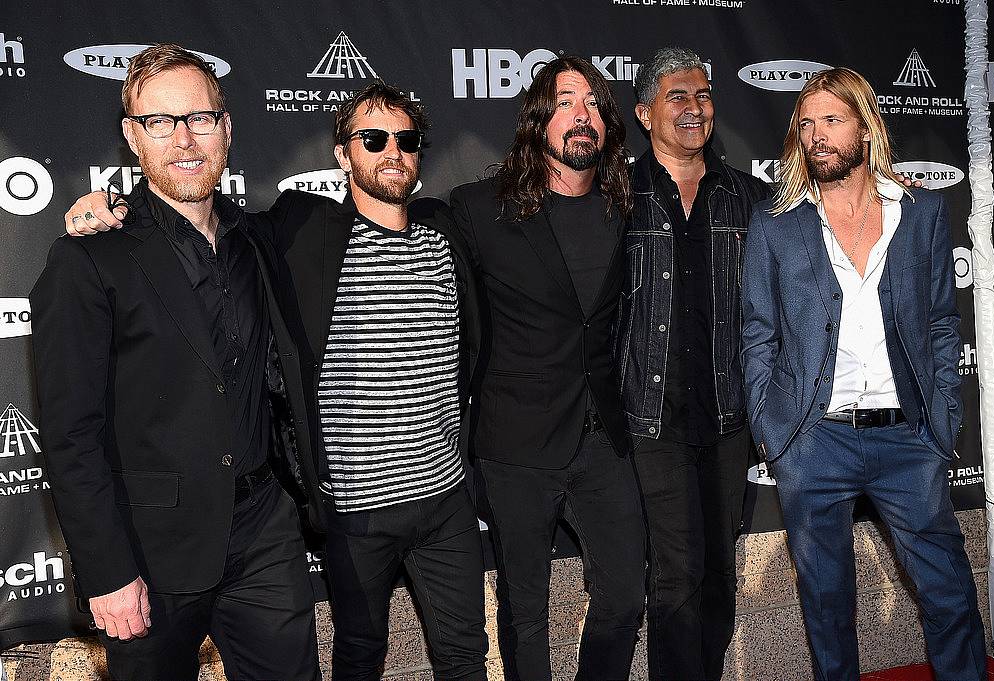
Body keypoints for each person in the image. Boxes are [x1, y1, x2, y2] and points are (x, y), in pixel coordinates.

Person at [63, 80, 488, 681]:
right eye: (373, 138)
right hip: (353, 506)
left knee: (466, 657)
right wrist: (110, 204)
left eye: (405, 139)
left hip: (442, 498)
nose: (391, 151)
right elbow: (176, 219)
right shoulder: (295, 229)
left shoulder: (446, 231)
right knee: (358, 655)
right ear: (342, 154)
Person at [31, 43, 319, 680]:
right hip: (150, 547)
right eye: (161, 122)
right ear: (134, 136)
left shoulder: (257, 241)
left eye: (200, 118)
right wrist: (106, 572)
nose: (184, 139)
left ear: (226, 129)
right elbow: (71, 435)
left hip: (264, 531)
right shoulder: (88, 261)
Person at [741, 67, 986, 680]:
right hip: (815, 440)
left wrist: (941, 423)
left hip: (907, 439)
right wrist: (778, 436)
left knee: (948, 591)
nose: (816, 136)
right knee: (826, 608)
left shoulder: (921, 215)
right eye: (806, 124)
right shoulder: (778, 227)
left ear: (866, 126)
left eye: (831, 120)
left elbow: (938, 325)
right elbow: (758, 332)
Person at [445, 57, 646, 681]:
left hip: (602, 439)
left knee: (624, 595)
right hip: (516, 445)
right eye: (565, 102)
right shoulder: (480, 211)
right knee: (525, 610)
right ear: (538, 120)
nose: (581, 115)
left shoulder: (628, 210)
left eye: (592, 104)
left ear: (607, 127)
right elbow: (395, 219)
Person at [615, 47, 769, 681]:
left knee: (717, 571)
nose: (694, 107)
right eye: (677, 96)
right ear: (645, 112)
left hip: (728, 420)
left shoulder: (749, 198)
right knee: (676, 573)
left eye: (703, 95)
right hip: (652, 421)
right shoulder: (617, 195)